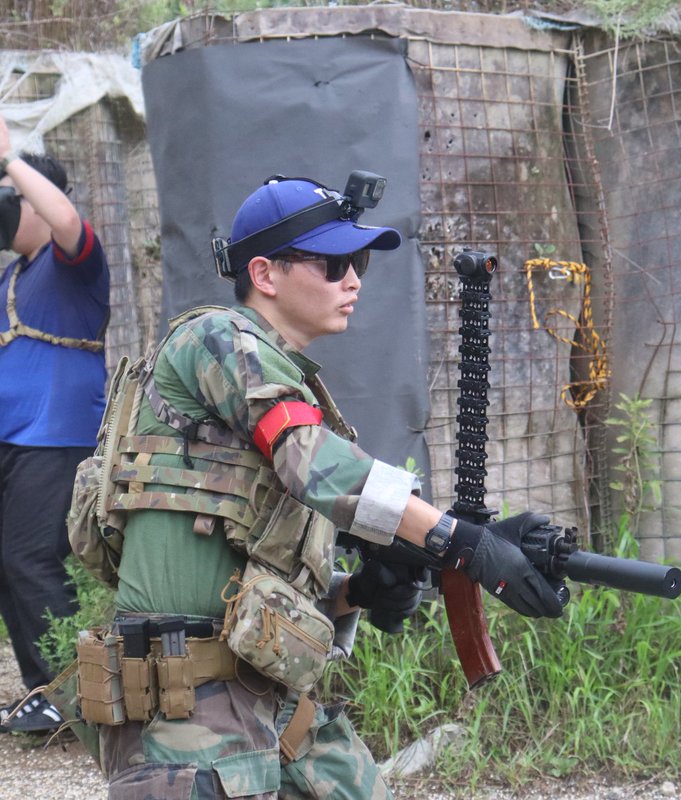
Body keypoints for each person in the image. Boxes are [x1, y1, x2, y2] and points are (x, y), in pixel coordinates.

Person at [91, 172, 562, 798]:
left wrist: (357, 591)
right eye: (336, 262)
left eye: (358, 261)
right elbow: (315, 465)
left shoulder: (287, 390)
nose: (354, 280)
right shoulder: (218, 340)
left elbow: (254, 576)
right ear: (264, 274)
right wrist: (461, 542)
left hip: (265, 690)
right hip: (186, 711)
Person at [0, 99, 111, 734]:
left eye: (9, 194)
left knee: (33, 560)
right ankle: (43, 692)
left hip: (55, 441)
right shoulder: (12, 277)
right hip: (6, 445)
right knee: (9, 567)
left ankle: (69, 697)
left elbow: (66, 217)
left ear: (38, 199)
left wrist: (9, 156)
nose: (0, 206)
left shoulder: (73, 263)